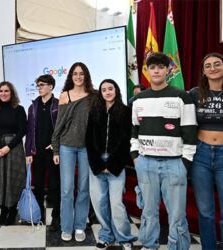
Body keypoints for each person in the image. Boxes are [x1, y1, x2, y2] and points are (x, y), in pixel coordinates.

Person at [131, 52, 197, 250]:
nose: (156, 70)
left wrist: (185, 161)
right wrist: (136, 158)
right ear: (147, 71)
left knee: (176, 214)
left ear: (168, 70)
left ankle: (177, 247)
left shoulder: (182, 96)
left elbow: (190, 131)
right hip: (146, 163)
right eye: (152, 67)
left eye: (161, 67)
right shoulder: (138, 99)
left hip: (174, 163)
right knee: (148, 211)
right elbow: (134, 131)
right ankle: (149, 245)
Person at [86, 79, 137, 249]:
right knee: (99, 203)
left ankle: (124, 238)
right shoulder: (94, 112)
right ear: (100, 93)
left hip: (116, 163)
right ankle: (106, 235)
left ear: (116, 90)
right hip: (97, 163)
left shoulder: (125, 111)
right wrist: (98, 164)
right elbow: (88, 140)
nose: (107, 92)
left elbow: (127, 141)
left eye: (110, 89)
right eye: (104, 90)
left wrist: (113, 164)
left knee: (116, 204)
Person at [51, 62, 96, 242]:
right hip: (66, 147)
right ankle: (67, 227)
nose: (78, 76)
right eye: (75, 73)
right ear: (71, 76)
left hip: (86, 148)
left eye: (81, 73)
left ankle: (79, 226)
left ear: (86, 75)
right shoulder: (64, 96)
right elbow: (59, 125)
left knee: (83, 188)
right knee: (67, 189)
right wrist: (55, 149)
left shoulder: (94, 97)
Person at [189, 52, 223, 249]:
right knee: (205, 210)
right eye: (208, 66)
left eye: (217, 64)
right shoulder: (195, 93)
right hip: (201, 155)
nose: (213, 68)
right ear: (203, 71)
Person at [0, 81, 27, 226]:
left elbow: (23, 130)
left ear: (12, 93)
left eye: (7, 91)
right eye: (1, 91)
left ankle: (12, 209)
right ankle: (3, 209)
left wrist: (8, 147)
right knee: (0, 179)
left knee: (13, 179)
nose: (3, 94)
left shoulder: (19, 109)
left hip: (14, 148)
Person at [25, 74, 60, 231]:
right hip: (36, 152)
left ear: (51, 87)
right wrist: (28, 152)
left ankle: (56, 218)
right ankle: (39, 215)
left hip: (54, 153)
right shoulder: (33, 107)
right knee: (37, 186)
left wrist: (54, 145)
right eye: (38, 85)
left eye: (42, 85)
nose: (39, 87)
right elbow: (29, 131)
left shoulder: (59, 105)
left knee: (54, 186)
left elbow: (62, 129)